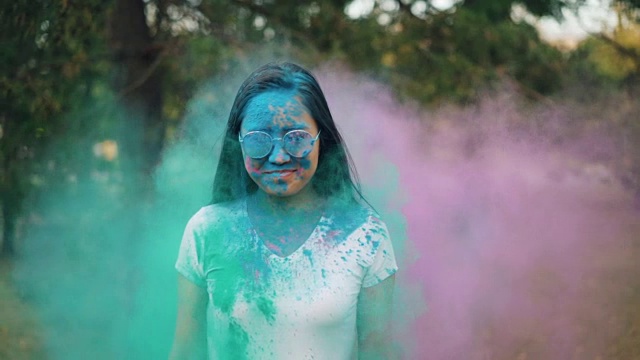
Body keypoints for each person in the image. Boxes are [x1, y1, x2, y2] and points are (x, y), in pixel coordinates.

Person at [170, 62, 398, 359]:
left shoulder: (364, 234)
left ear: (321, 139)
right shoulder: (208, 230)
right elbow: (187, 349)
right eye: (258, 140)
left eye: (297, 138)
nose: (278, 157)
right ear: (238, 142)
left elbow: (378, 351)